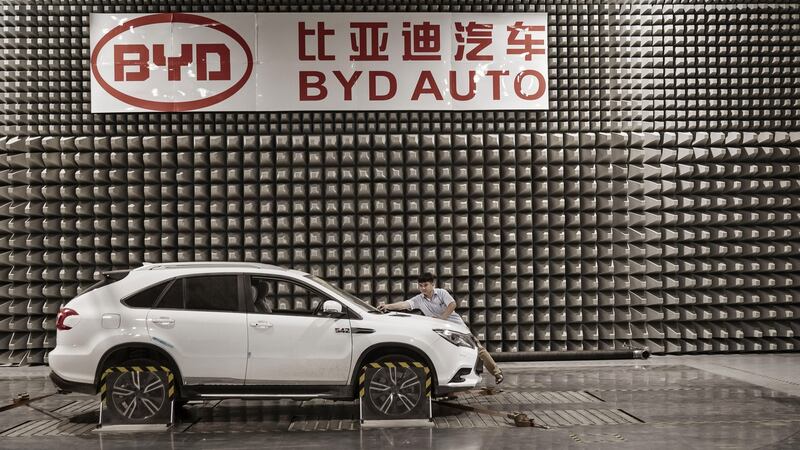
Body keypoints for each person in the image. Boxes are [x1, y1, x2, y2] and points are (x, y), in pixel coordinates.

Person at [378, 272, 503, 384]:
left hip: (456, 327)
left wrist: (442, 319)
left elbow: (452, 304)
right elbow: (404, 304)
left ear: (432, 284)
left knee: (477, 349)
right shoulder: (419, 299)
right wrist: (387, 306)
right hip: (440, 331)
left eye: (425, 285)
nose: (422, 288)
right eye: (420, 285)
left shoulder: (442, 293)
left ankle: (497, 373)